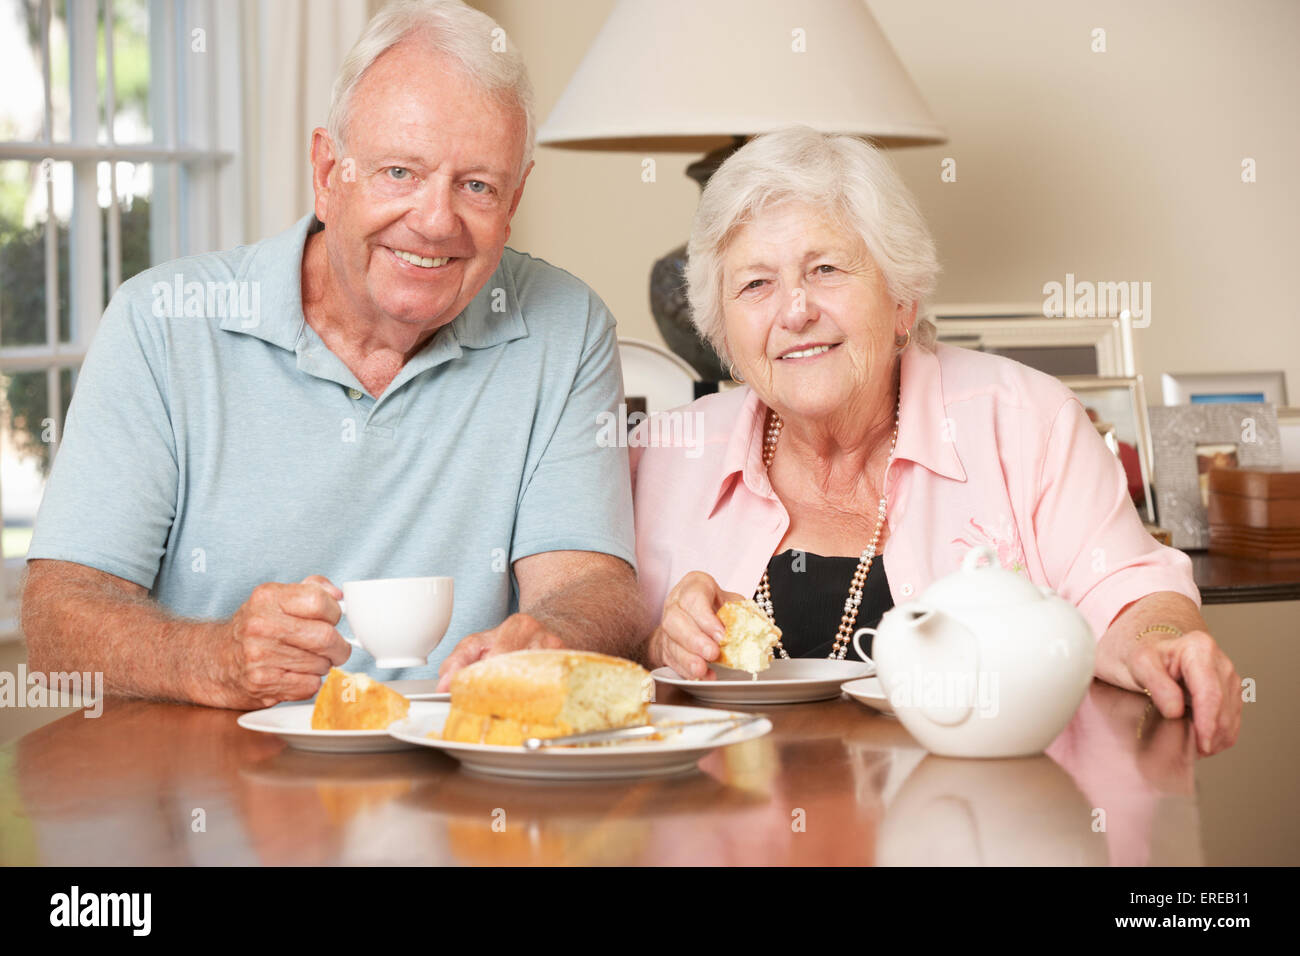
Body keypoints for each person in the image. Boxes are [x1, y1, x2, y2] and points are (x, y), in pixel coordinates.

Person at [23, 0, 643, 710]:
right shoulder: (160, 323)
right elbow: (56, 621)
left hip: (459, 782)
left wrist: (553, 638)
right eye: (399, 173)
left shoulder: (565, 326)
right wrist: (214, 659)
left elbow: (589, 586)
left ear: (515, 197)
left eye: (477, 185)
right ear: (327, 172)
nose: (436, 221)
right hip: (217, 784)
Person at [632, 126, 1240, 755]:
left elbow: (1130, 598)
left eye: (827, 269)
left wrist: (1164, 641)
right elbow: (608, 652)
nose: (795, 311)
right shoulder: (664, 456)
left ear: (902, 299)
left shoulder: (1027, 421)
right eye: (755, 284)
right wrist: (662, 644)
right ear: (724, 333)